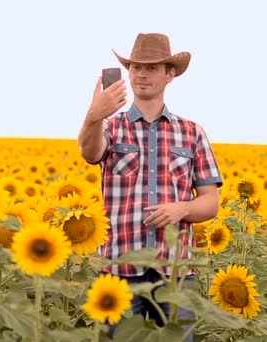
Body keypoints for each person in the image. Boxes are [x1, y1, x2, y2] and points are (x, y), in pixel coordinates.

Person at [78, 33, 223, 340]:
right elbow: (89, 152)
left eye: (152, 68)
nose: (141, 74)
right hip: (119, 271)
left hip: (175, 276)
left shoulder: (192, 133)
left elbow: (211, 201)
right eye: (135, 67)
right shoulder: (111, 127)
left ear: (170, 74)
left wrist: (181, 209)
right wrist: (94, 114)